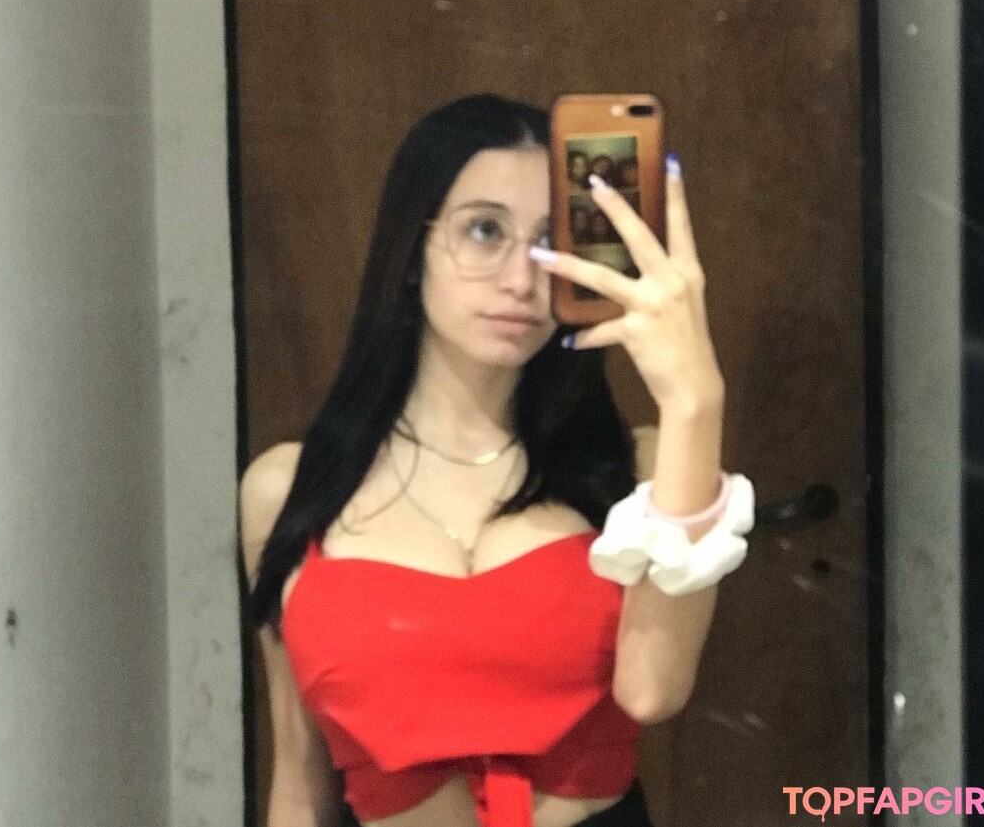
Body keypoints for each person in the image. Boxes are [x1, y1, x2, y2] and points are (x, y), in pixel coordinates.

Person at [240, 94, 750, 827]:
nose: (521, 280)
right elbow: (298, 781)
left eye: (551, 243)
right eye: (485, 231)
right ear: (412, 250)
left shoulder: (637, 469)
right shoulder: (288, 488)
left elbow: (653, 691)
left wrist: (695, 400)